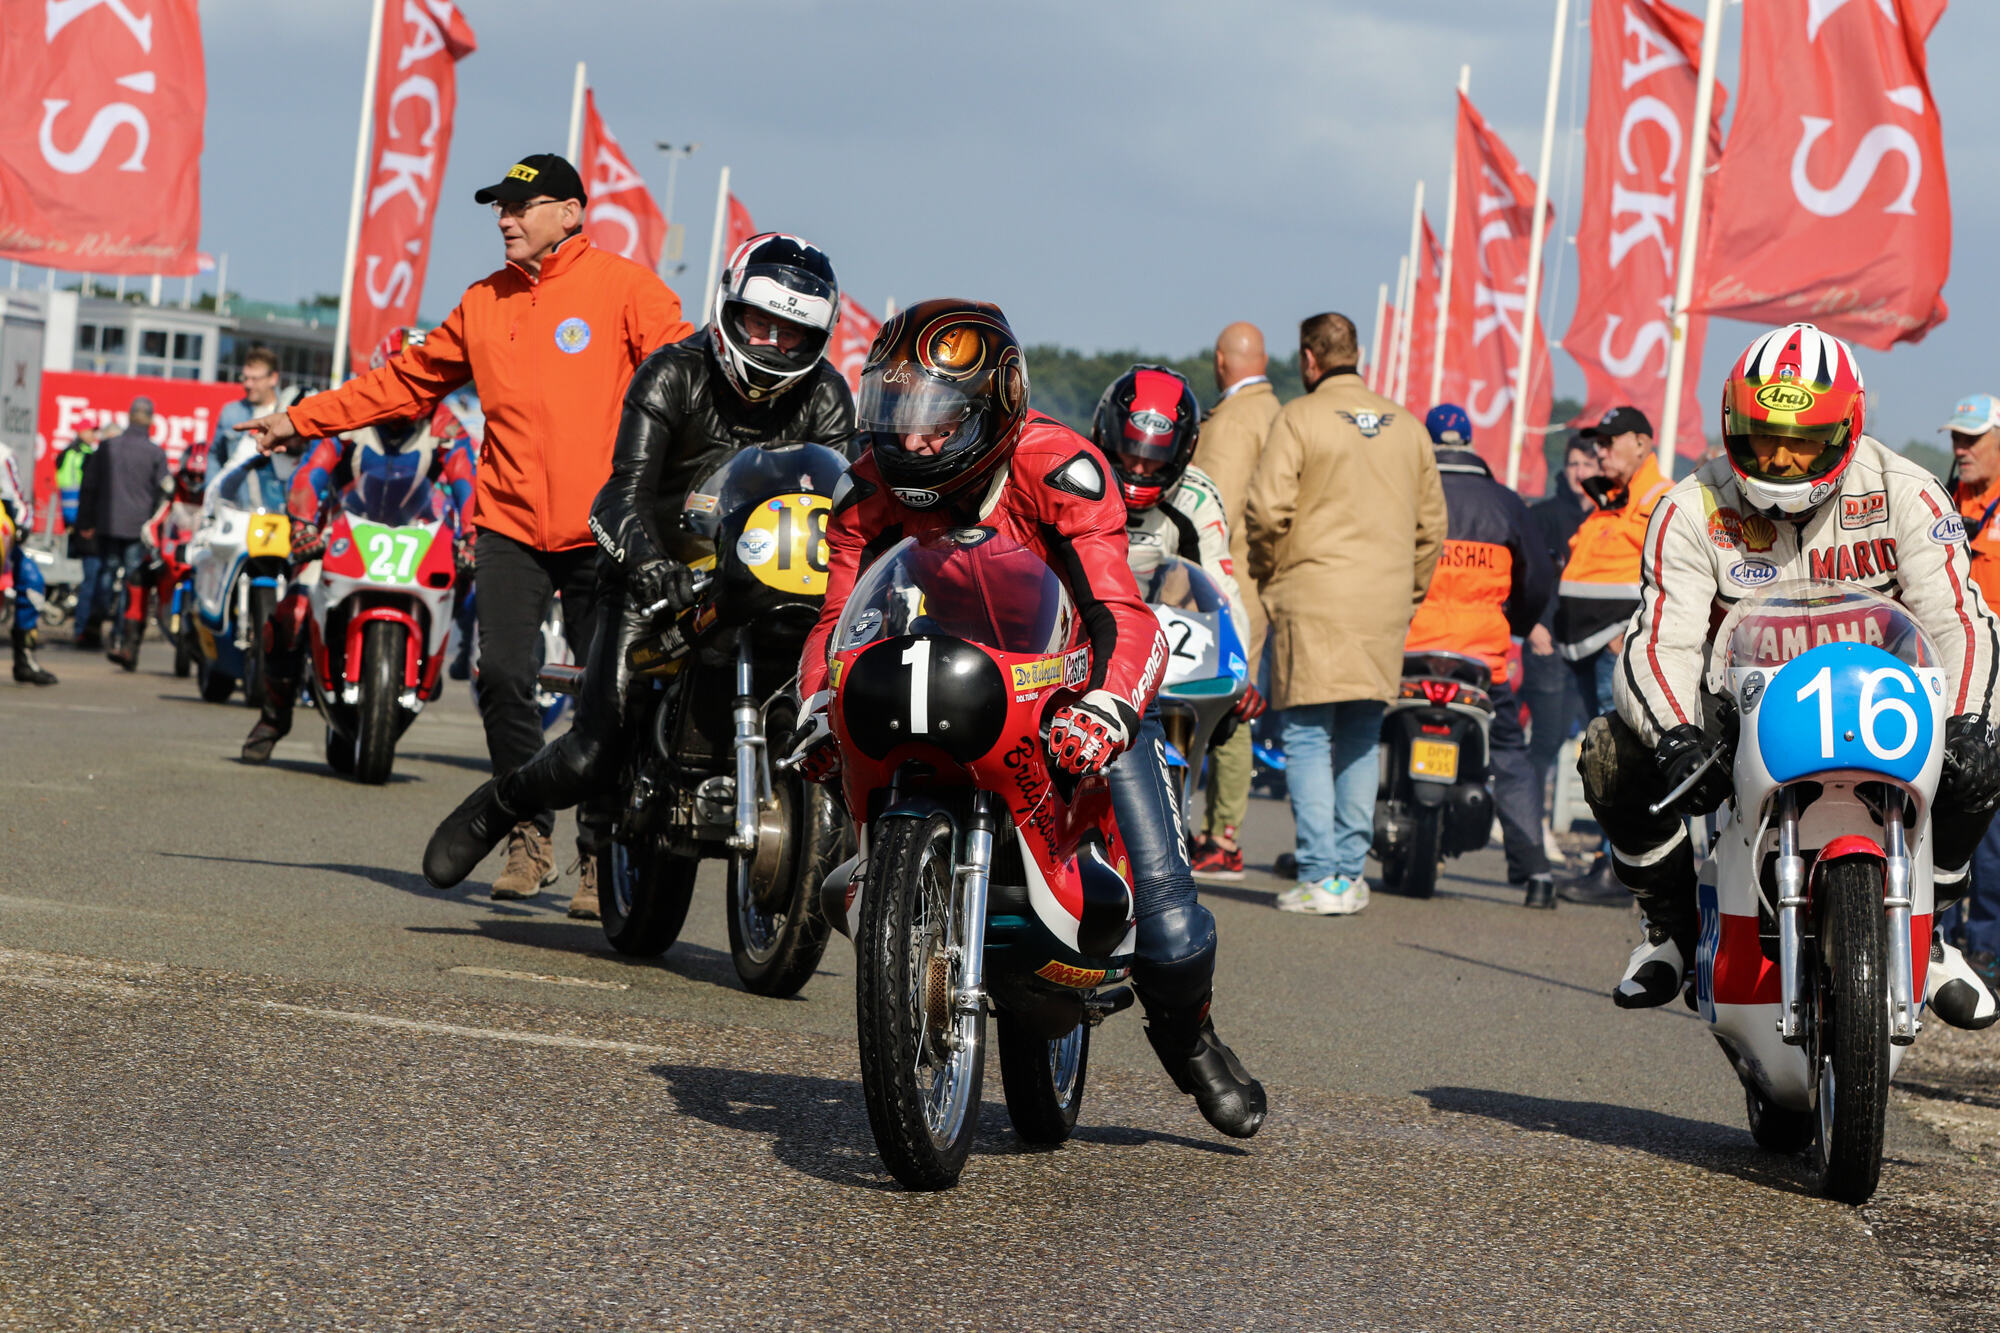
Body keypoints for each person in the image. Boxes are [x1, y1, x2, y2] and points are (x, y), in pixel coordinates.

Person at [777, 298, 1264, 1138]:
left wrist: (1108, 707)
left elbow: (1123, 611)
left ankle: (1193, 1044)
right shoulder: (867, 484)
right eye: (895, 414)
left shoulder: (1063, 469)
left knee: (1170, 925)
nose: (913, 442)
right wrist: (817, 700)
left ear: (996, 407)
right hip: (937, 678)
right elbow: (832, 616)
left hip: (1066, 687)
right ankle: (899, 906)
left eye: (937, 421)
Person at [235, 152, 695, 909]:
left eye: (522, 206)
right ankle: (527, 832)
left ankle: (601, 847)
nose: (506, 219)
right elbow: (400, 384)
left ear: (572, 213)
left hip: (605, 527)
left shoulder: (625, 289)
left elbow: (684, 376)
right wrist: (297, 418)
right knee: (504, 676)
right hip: (510, 523)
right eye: (499, 209)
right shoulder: (483, 302)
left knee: (611, 695)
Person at [419, 231, 855, 921]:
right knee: (594, 751)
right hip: (663, 575)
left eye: (793, 333)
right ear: (729, 309)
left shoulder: (828, 397)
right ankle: (503, 802)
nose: (772, 344)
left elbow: (847, 507)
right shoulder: (672, 373)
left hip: (775, 583)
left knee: (834, 715)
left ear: (819, 337)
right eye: (759, 323)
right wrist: (653, 567)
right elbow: (618, 494)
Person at [1579, 322, 2000, 1029]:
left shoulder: (1910, 493)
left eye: (1801, 442)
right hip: (1739, 705)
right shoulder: (1689, 506)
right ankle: (1673, 930)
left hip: (1882, 700)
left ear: (1846, 430)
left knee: (1987, 752)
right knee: (1611, 753)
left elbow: (1963, 619)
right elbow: (1660, 640)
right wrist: (1675, 732)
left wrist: (1967, 719)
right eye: (1762, 437)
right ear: (1729, 423)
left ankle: (1930, 940)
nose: (1778, 459)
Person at [1245, 312, 1446, 916]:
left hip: (1312, 594)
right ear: (1357, 352)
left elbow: (1264, 510)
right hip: (1383, 603)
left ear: (1310, 359)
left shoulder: (1299, 417)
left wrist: (1270, 573)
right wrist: (1407, 592)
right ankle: (1348, 876)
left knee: (1307, 736)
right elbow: (1432, 527)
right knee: (1361, 735)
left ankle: (1318, 873)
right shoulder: (1409, 427)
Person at [1093, 364, 1266, 854]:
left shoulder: (1197, 496)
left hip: (1160, 626)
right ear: (1107, 436)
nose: (1140, 469)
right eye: (1130, 454)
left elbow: (1222, 582)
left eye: (1155, 461)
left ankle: (1213, 833)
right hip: (1082, 619)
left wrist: (1242, 670)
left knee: (1232, 706)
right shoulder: (1077, 474)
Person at [238, 415, 470, 763]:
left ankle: (440, 662)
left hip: (415, 541)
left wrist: (471, 532)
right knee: (290, 616)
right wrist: (302, 521)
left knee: (465, 577)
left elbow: (469, 480)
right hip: (340, 535)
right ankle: (274, 718)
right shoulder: (352, 414)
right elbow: (312, 469)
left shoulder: (445, 426)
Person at [1404, 405, 1555, 907]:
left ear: (1429, 444)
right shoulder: (1507, 503)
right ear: (1471, 444)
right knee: (1509, 753)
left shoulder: (1409, 494)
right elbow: (1536, 582)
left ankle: (1334, 859)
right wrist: (1513, 624)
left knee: (1363, 735)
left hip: (1408, 650)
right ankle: (1535, 872)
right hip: (1480, 659)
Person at [1553, 405, 1672, 906]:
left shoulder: (1661, 497)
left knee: (1618, 763)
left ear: (1642, 443)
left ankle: (1621, 869)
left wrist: (1628, 634)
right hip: (1588, 647)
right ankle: (1616, 863)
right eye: (1596, 442)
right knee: (1603, 761)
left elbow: (1670, 573)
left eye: (1609, 440)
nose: (1599, 450)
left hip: (1616, 649)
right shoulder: (1611, 500)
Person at [1187, 322, 1281, 879]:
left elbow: (1207, 511)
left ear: (1222, 361)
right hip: (1264, 580)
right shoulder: (1278, 413)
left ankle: (1221, 836)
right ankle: (1223, 831)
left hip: (1227, 579)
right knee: (1237, 704)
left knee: (1224, 705)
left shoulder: (1231, 425)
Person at [1943, 393, 2000, 994]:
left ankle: (1985, 946)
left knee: (1991, 818)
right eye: (1956, 437)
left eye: (1972, 437)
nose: (1961, 449)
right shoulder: (1942, 500)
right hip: (1951, 668)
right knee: (1942, 798)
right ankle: (1936, 934)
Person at [1523, 436, 1598, 861]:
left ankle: (1610, 847)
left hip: (1589, 648)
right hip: (1547, 644)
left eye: (1587, 463)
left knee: (1598, 743)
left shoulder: (1607, 518)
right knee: (1547, 739)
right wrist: (1531, 625)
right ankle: (1532, 829)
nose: (1579, 471)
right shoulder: (1544, 515)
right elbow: (1522, 574)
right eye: (1572, 463)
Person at [74, 396, 170, 669]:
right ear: (150, 421)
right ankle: (120, 636)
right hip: (137, 529)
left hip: (108, 523)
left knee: (106, 573)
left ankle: (94, 624)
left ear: (129, 418)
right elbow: (164, 493)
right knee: (132, 583)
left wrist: (87, 522)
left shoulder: (107, 447)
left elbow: (89, 487)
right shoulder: (155, 453)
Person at [2, 442, 57, 685]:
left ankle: (24, 660)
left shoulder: (3, 455)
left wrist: (22, 527)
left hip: (3, 541)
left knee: (33, 582)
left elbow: (21, 501)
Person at [208, 347, 287, 483]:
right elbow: (215, 456)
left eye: (255, 379)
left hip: (275, 499)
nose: (248, 384)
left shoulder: (286, 413)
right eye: (245, 378)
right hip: (235, 499)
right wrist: (211, 489)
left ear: (273, 378)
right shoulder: (231, 412)